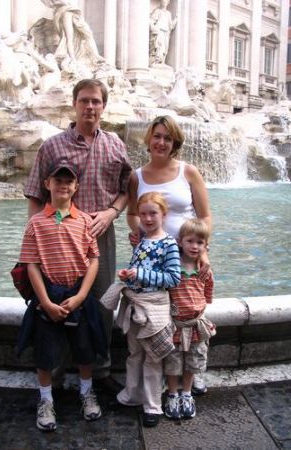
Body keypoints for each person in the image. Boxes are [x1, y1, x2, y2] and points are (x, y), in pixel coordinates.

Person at [24, 78, 132, 395]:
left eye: (96, 101)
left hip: (100, 232)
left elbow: (127, 190)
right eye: (84, 100)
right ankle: (54, 375)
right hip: (57, 236)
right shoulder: (52, 146)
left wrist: (113, 212)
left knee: (100, 304)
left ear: (103, 106)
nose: (90, 106)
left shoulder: (115, 144)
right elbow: (34, 195)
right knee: (55, 300)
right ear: (74, 104)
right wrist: (35, 239)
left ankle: (99, 372)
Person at [127, 114, 212, 395]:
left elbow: (205, 216)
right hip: (156, 262)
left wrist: (204, 252)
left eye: (168, 138)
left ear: (174, 142)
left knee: (191, 313)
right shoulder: (136, 176)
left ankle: (193, 371)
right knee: (165, 319)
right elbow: (130, 214)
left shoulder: (188, 171)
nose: (161, 142)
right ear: (149, 139)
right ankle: (168, 378)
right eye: (157, 136)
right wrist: (140, 234)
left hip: (189, 258)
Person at [18, 161, 104, 431]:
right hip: (49, 293)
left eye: (69, 181)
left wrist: (81, 296)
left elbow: (93, 260)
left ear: (76, 186)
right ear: (47, 184)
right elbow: (30, 264)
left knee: (84, 348)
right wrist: (44, 301)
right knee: (44, 351)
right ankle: (45, 400)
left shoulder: (84, 221)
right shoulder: (36, 222)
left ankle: (87, 392)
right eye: (58, 180)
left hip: (76, 293)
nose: (63, 185)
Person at [100, 192, 180, 427]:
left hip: (154, 308)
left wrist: (141, 275)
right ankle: (131, 395)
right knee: (134, 354)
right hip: (136, 306)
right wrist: (128, 274)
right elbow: (139, 269)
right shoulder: (141, 241)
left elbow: (174, 278)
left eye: (152, 213)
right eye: (143, 214)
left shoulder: (169, 244)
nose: (147, 218)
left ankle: (152, 405)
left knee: (153, 358)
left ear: (163, 215)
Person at [164, 219, 215, 420]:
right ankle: (172, 394)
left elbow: (208, 292)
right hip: (175, 325)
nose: (194, 246)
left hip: (195, 325)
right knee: (173, 362)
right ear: (180, 241)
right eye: (190, 241)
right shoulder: (174, 267)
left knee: (193, 361)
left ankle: (186, 393)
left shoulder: (204, 269)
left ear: (206, 246)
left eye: (200, 243)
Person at [40, 0, 103, 67]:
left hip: (73, 11)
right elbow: (51, 3)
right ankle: (72, 58)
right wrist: (63, 3)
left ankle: (96, 55)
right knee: (68, 36)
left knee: (88, 33)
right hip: (65, 11)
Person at [149, 0, 177, 66]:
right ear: (161, 2)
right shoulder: (157, 11)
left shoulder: (168, 13)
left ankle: (162, 62)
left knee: (164, 49)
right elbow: (151, 20)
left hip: (166, 33)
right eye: (163, 1)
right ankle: (156, 62)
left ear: (168, 3)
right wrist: (154, 27)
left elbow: (171, 26)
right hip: (159, 32)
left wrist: (176, 19)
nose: (164, 2)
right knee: (158, 47)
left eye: (166, 1)